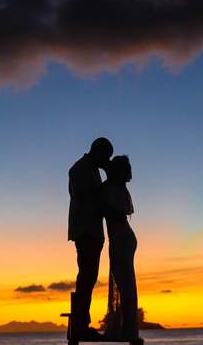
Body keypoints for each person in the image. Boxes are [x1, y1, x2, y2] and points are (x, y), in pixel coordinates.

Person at [69, 137, 113, 338]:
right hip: (86, 231)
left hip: (93, 232)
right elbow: (86, 201)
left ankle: (81, 324)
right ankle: (80, 326)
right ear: (99, 153)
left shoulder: (92, 169)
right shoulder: (79, 169)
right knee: (86, 278)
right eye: (107, 157)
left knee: (89, 277)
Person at [101, 155, 137, 341]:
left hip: (120, 237)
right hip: (125, 235)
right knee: (125, 283)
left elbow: (111, 213)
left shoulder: (108, 189)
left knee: (123, 283)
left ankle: (126, 328)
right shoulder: (120, 189)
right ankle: (127, 326)